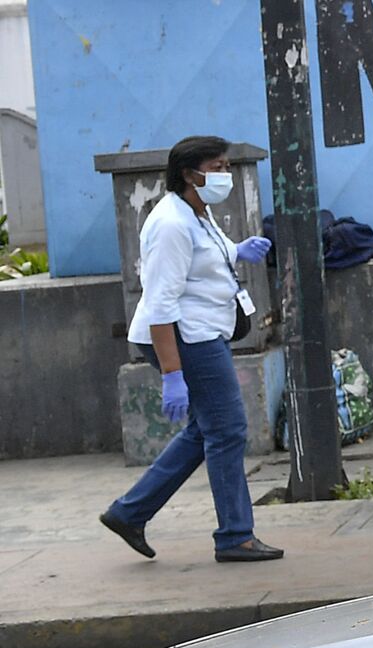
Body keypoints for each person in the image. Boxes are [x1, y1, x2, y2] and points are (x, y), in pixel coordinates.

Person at [98, 135, 284, 563]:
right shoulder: (170, 224)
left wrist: (236, 251)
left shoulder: (198, 212)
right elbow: (161, 302)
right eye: (217, 167)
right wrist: (171, 374)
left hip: (200, 331)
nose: (226, 175)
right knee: (228, 429)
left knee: (207, 430)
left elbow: (198, 266)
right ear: (188, 173)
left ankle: (130, 512)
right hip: (185, 336)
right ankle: (235, 536)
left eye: (226, 166)